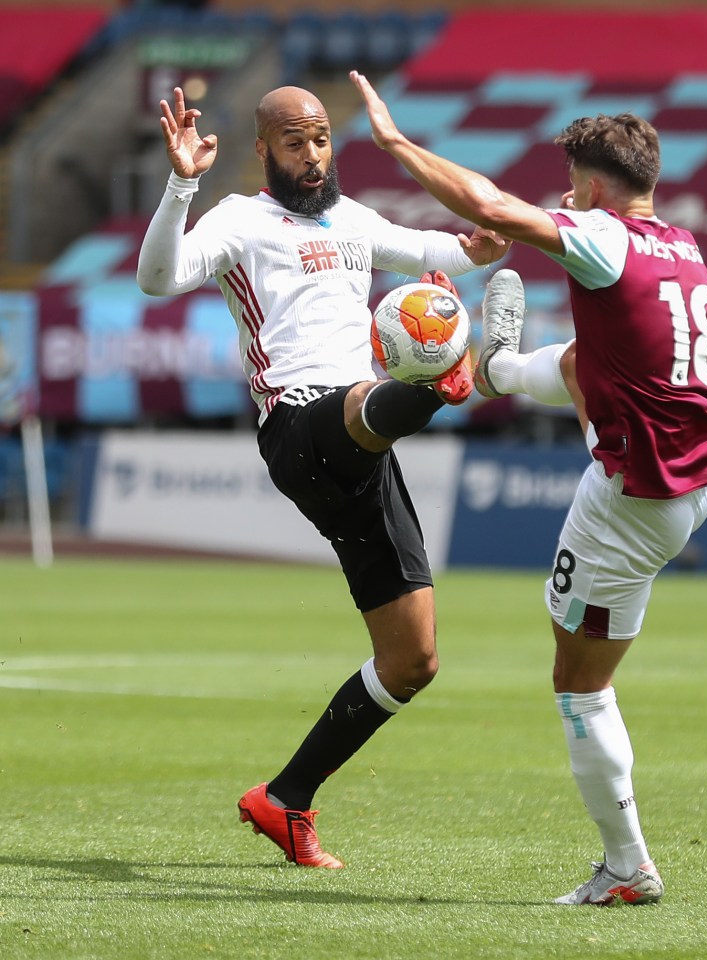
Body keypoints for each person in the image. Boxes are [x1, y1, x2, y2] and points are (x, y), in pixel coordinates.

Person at [351, 71, 707, 904]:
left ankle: (627, 867)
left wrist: (395, 145)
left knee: (578, 683)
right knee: (578, 362)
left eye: (571, 184)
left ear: (595, 189)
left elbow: (489, 207)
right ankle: (493, 370)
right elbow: (594, 361)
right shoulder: (682, 244)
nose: (564, 196)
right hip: (697, 471)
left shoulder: (602, 238)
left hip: (635, 497)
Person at [137, 85, 509, 868]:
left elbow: (437, 251)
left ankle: (285, 798)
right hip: (299, 426)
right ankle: (435, 388)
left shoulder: (355, 222)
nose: (312, 157)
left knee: (412, 661)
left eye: (320, 141)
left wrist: (481, 247)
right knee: (371, 398)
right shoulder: (240, 219)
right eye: (295, 144)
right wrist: (180, 184)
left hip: (361, 442)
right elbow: (158, 279)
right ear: (264, 151)